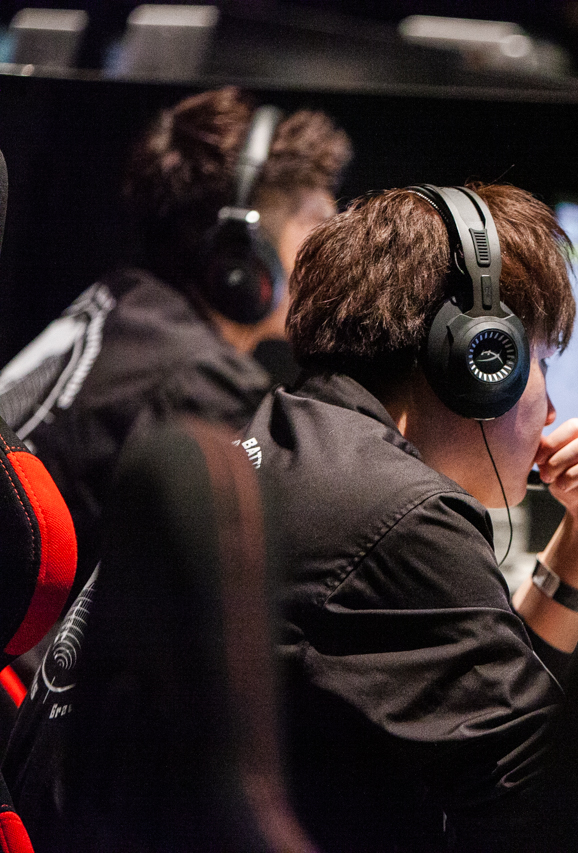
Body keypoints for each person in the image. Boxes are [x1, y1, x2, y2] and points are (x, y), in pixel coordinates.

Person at [0, 85, 351, 850]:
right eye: (316, 223)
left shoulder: (124, 300)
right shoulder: (202, 383)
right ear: (242, 255)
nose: (335, 253)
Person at [241, 183, 578, 851]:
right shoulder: (398, 516)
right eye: (540, 362)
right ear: (481, 360)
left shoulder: (299, 430)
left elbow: (486, 713)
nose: (551, 410)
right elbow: (553, 809)